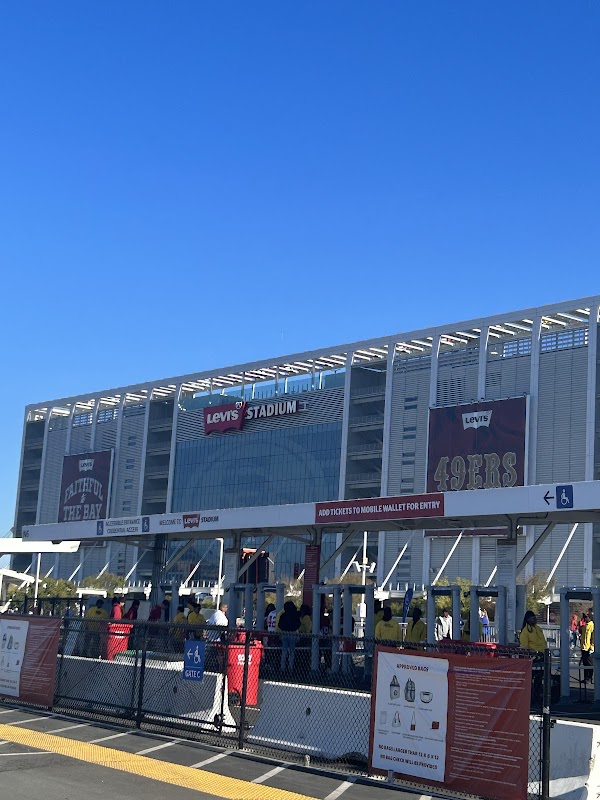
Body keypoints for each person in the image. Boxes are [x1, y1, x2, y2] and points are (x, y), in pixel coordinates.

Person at [278, 601, 301, 673]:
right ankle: (290, 668)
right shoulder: (295, 615)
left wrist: (284, 629)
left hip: (284, 633)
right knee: (292, 652)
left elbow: (280, 625)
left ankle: (282, 668)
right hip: (293, 634)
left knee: (284, 651)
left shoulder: (283, 615)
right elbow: (298, 624)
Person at [581, 612, 595, 683]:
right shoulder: (585, 626)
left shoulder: (592, 626)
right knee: (585, 664)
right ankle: (586, 677)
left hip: (588, 648)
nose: (584, 619)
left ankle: (589, 678)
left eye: (585, 618)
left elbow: (593, 637)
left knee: (590, 664)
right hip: (584, 647)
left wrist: (592, 647)